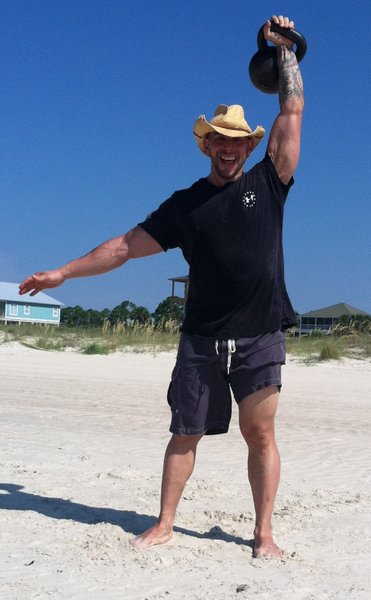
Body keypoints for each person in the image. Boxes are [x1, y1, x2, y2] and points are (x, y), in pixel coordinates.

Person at [19, 15, 304, 558]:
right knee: (185, 433)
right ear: (207, 146)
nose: (227, 148)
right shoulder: (185, 206)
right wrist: (63, 272)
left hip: (260, 330)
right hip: (200, 335)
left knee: (260, 434)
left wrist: (286, 49)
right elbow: (124, 247)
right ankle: (166, 522)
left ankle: (264, 532)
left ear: (249, 148)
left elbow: (291, 109)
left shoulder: (270, 182)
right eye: (219, 140)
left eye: (237, 142)